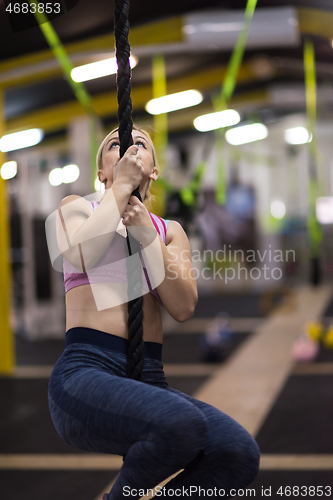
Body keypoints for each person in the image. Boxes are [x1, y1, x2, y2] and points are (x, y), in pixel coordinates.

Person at [47, 126, 260, 500]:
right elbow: (81, 255)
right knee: (181, 424)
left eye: (139, 144)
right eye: (116, 145)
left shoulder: (169, 231)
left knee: (237, 453)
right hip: (85, 374)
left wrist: (145, 231)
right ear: (102, 173)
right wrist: (120, 191)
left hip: (149, 378)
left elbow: (183, 307)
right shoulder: (77, 208)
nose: (129, 147)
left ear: (154, 170)